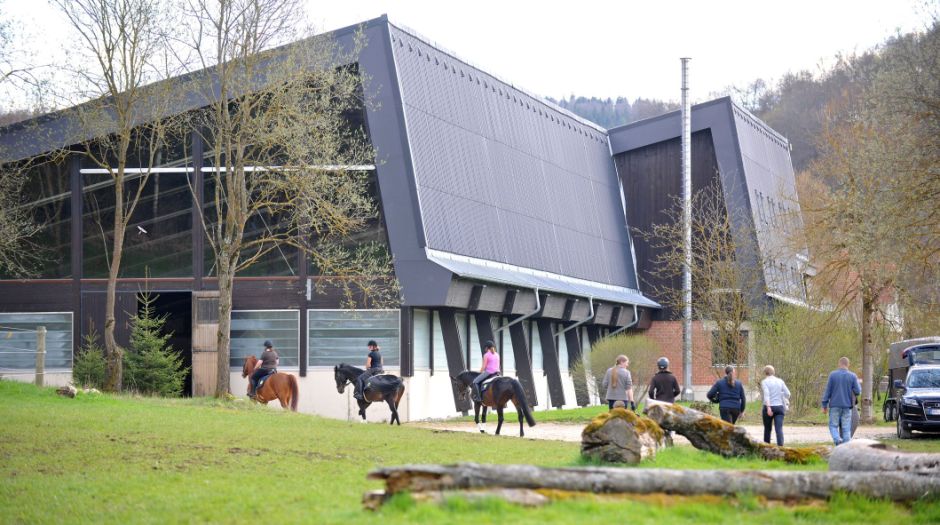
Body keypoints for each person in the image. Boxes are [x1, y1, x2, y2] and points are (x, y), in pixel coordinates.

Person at [821, 356, 862, 446]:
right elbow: (858, 391)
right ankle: (845, 447)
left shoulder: (832, 375)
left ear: (839, 364)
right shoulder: (852, 376)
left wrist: (824, 405)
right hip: (847, 407)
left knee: (833, 426)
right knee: (846, 429)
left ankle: (837, 439)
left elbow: (827, 391)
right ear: (848, 365)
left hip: (834, 406)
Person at [760, 365, 791, 446]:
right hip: (779, 407)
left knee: (767, 429)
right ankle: (781, 448)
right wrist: (781, 395)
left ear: (765, 373)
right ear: (773, 372)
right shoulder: (780, 381)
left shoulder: (764, 382)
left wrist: (768, 407)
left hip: (769, 407)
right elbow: (788, 394)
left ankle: (766, 447)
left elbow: (767, 395)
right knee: (779, 429)